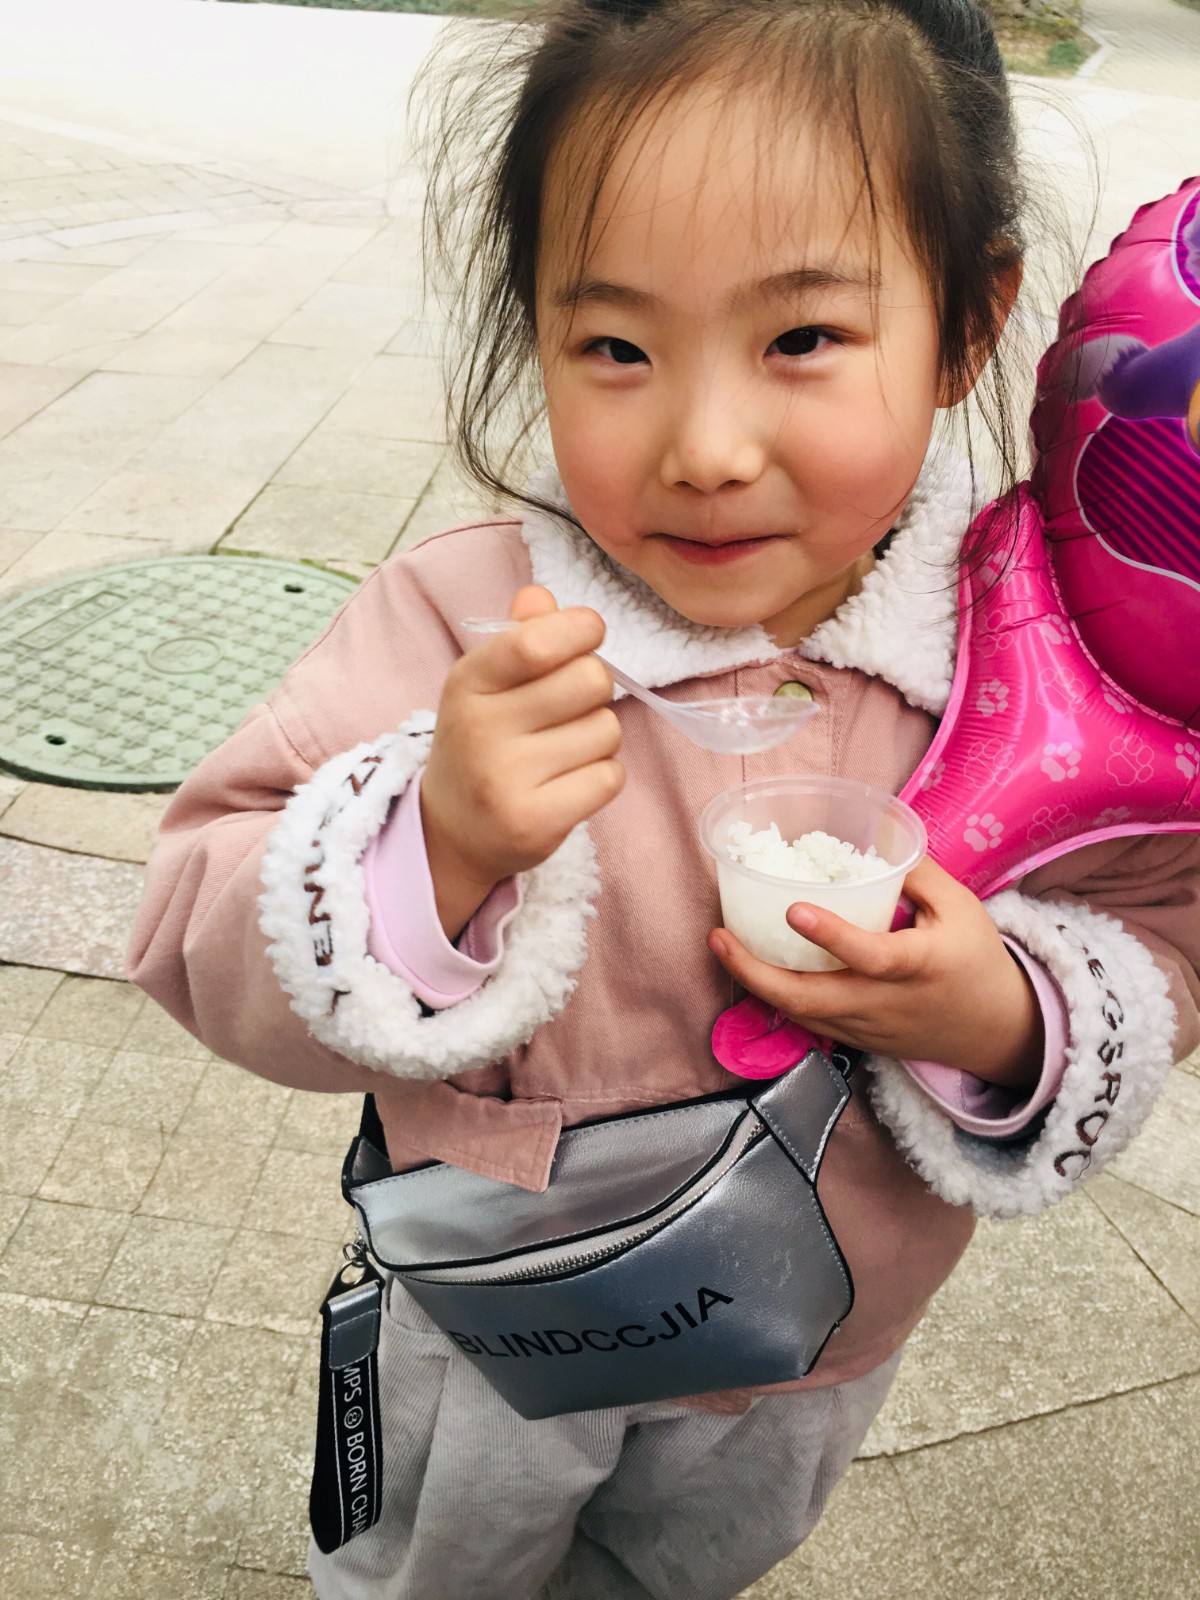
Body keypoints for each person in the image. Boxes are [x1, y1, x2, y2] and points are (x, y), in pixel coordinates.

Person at [127, 2, 1200, 1596]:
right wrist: (432, 845)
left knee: (686, 1571)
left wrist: (1004, 1014)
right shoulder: (461, 629)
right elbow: (189, 919)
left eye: (803, 338)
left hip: (815, 1338)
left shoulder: (1037, 657)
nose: (704, 447)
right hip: (503, 1316)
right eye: (617, 348)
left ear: (969, 325)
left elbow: (1162, 932)